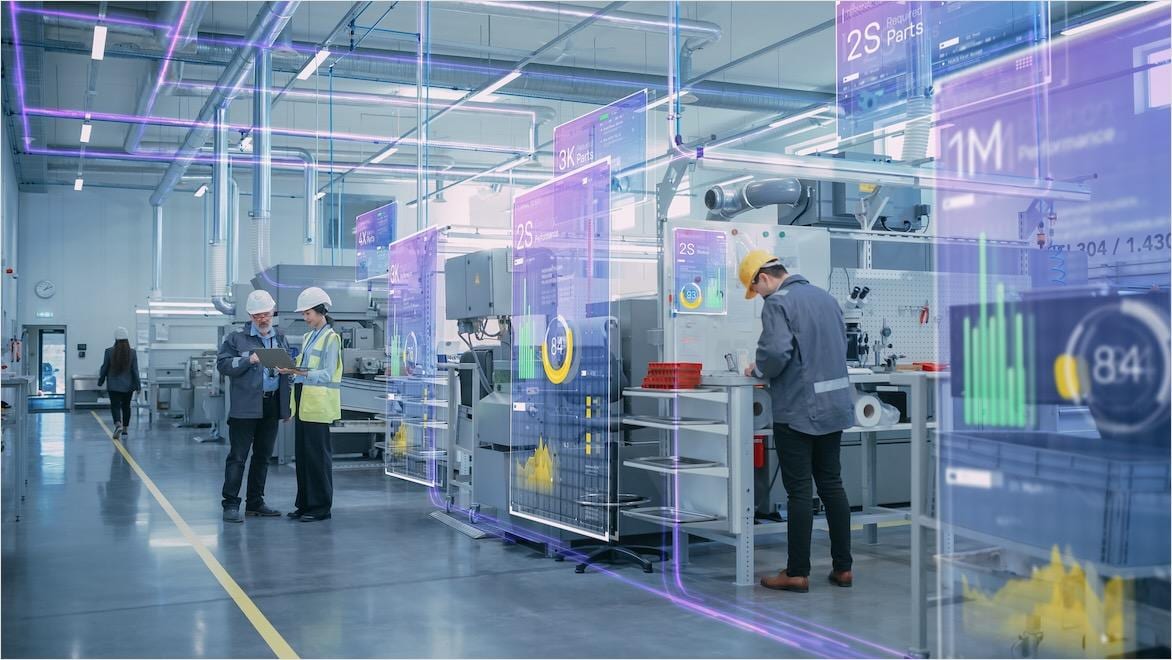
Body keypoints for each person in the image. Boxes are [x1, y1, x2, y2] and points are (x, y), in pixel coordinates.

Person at [738, 250, 855, 593]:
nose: (758, 295)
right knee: (832, 485)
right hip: (834, 406)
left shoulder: (778, 303)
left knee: (799, 491)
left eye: (755, 288)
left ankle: (797, 572)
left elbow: (775, 353)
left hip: (799, 410)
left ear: (763, 277)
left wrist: (756, 370)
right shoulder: (825, 297)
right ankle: (843, 568)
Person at [216, 290, 292, 524]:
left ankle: (255, 503)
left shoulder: (279, 337)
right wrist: (249, 359)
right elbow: (223, 365)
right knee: (238, 457)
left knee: (263, 457)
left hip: (270, 405)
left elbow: (287, 371)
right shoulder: (235, 339)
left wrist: (285, 406)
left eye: (266, 314)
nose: (262, 319)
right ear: (250, 315)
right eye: (257, 315)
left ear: (273, 313)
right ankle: (230, 504)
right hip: (244, 408)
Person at [277, 286, 342, 522]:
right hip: (304, 404)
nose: (305, 318)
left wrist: (298, 371)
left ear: (321, 311)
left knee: (317, 459)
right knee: (303, 458)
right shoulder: (308, 337)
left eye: (308, 314)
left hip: (319, 407)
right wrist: (288, 367)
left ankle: (321, 508)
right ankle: (304, 504)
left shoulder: (331, 338)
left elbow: (327, 373)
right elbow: (302, 367)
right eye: (304, 314)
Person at [97, 327, 141, 440]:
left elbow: (104, 368)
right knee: (126, 406)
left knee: (115, 406)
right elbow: (135, 370)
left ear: (115, 339)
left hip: (114, 385)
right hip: (128, 386)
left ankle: (118, 424)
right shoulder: (132, 352)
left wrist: (101, 380)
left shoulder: (109, 351)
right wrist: (138, 385)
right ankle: (125, 430)